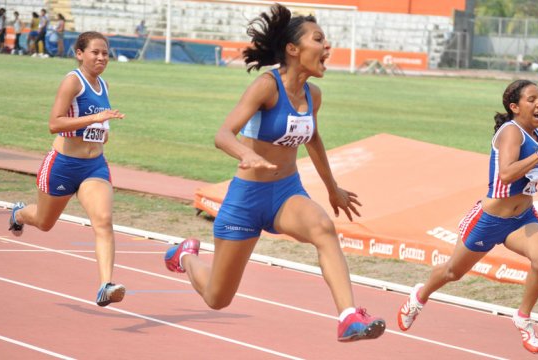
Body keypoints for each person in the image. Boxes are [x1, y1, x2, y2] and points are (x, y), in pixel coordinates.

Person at [164, 4, 386, 342]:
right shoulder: (267, 86)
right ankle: (186, 257)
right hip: (246, 200)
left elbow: (312, 138)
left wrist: (332, 187)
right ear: (293, 49)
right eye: (319, 39)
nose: (327, 46)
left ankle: (348, 317)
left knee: (324, 228)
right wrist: (246, 155)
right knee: (217, 299)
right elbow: (223, 134)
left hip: (285, 193)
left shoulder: (314, 95)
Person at [397, 79, 538, 354]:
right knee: (453, 271)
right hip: (489, 219)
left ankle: (523, 317)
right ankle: (419, 296)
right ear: (514, 107)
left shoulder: (537, 133)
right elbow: (507, 173)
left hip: (522, 219)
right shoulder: (511, 132)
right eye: (532, 99)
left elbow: (537, 156)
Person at [8, 31, 127, 307]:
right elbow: (55, 123)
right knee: (44, 222)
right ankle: (19, 213)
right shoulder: (73, 81)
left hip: (94, 167)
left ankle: (105, 285)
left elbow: (97, 128)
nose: (101, 57)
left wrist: (101, 129)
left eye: (105, 53)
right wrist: (93, 118)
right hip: (62, 165)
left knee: (104, 220)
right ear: (79, 54)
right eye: (95, 52)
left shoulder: (104, 85)